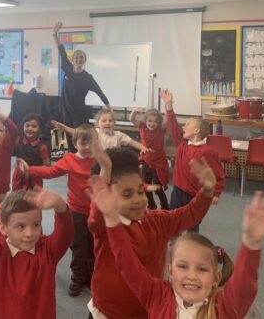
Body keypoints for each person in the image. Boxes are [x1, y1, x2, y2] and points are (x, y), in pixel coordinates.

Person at [91, 176, 264, 319]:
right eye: (182, 266)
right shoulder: (157, 296)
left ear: (216, 278)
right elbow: (127, 264)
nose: (191, 275)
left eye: (202, 269)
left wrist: (251, 243)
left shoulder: (223, 308)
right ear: (170, 272)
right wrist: (111, 220)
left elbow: (245, 286)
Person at [88, 147, 216, 319]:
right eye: (127, 195)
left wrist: (206, 192)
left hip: (146, 309)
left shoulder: (157, 220)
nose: (138, 200)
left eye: (141, 191)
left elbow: (189, 214)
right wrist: (105, 172)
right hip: (108, 312)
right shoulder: (107, 226)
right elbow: (97, 215)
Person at [18, 125, 106, 297]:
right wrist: (30, 170)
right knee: (78, 246)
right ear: (75, 143)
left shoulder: (100, 159)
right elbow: (51, 171)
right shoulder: (69, 160)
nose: (87, 147)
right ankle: (77, 276)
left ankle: (89, 275)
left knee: (93, 245)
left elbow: (113, 175)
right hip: (76, 211)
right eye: (83, 143)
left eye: (91, 143)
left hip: (97, 210)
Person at [0, 184, 73, 319]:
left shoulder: (48, 250)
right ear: (3, 228)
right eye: (21, 226)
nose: (30, 233)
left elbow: (66, 233)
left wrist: (60, 206)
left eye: (36, 224)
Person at [162, 90, 225, 230]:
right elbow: (173, 125)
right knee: (173, 222)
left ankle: (192, 247)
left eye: (188, 124)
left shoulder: (209, 152)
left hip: (196, 196)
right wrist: (168, 105)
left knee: (192, 226)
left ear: (196, 131)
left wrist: (216, 193)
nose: (184, 126)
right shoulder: (181, 144)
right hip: (178, 192)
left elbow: (219, 175)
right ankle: (173, 247)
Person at [52, 21, 109, 151]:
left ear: (85, 60)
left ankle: (81, 159)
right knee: (65, 138)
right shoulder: (67, 68)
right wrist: (55, 35)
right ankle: (70, 161)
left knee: (79, 138)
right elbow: (61, 50)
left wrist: (108, 106)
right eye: (77, 57)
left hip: (79, 113)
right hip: (65, 111)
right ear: (73, 59)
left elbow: (99, 92)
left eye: (82, 57)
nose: (79, 59)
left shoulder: (87, 78)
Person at [53, 106, 148, 153]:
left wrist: (143, 148)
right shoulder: (95, 132)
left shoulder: (118, 135)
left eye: (110, 121)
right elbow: (78, 132)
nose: (107, 123)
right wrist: (65, 128)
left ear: (114, 123)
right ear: (98, 124)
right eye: (104, 121)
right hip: (97, 162)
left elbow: (132, 142)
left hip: (113, 163)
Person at [129, 107, 170, 210]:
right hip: (147, 161)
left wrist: (167, 107)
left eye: (155, 122)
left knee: (157, 188)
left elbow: (167, 120)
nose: (152, 124)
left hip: (159, 163)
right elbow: (131, 119)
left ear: (159, 123)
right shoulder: (142, 127)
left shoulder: (161, 129)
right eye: (150, 121)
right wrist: (134, 111)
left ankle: (165, 206)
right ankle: (151, 205)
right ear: (145, 121)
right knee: (145, 186)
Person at [11, 113, 50, 191]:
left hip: (35, 178)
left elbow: (47, 166)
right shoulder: (17, 141)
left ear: (40, 129)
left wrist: (31, 170)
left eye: (34, 126)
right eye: (27, 125)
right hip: (19, 176)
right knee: (16, 197)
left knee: (34, 199)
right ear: (23, 127)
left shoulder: (42, 147)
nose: (30, 128)